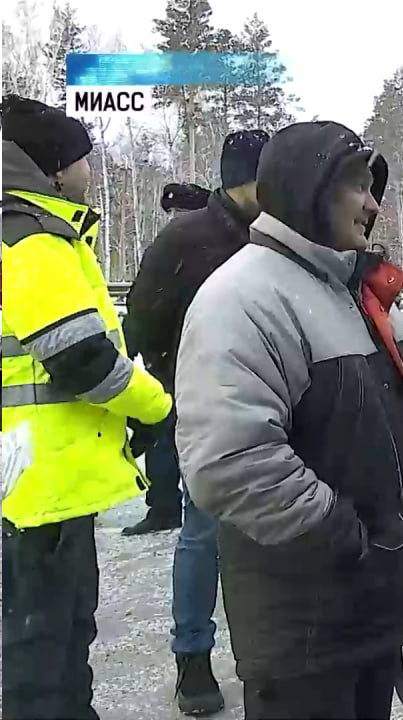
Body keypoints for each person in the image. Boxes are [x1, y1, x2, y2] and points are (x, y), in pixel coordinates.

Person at [174, 121, 403, 720]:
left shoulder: (351, 289)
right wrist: (347, 538)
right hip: (304, 630)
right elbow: (230, 463)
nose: (373, 205)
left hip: (369, 610)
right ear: (307, 188)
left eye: (374, 189)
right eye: (357, 187)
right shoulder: (243, 298)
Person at [0, 94, 173, 718]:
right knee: (43, 649)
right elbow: (81, 359)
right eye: (82, 160)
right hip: (40, 478)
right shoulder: (33, 239)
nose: (89, 172)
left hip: (34, 476)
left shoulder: (31, 233)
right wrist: (155, 407)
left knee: (55, 639)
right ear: (53, 169)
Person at [122, 129, 271, 715]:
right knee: (204, 533)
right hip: (203, 413)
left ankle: (265, 656)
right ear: (247, 179)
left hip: (276, 410)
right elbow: (141, 321)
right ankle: (193, 659)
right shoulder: (186, 238)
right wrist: (172, 391)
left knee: (266, 535)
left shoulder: (275, 237)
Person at [121, 180, 213, 537]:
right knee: (162, 435)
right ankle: (163, 506)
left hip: (197, 360)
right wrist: (128, 350)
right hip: (165, 362)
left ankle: (190, 508)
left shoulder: (208, 250)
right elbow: (141, 304)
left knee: (191, 439)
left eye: (182, 212)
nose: (174, 219)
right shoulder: (164, 250)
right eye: (171, 212)